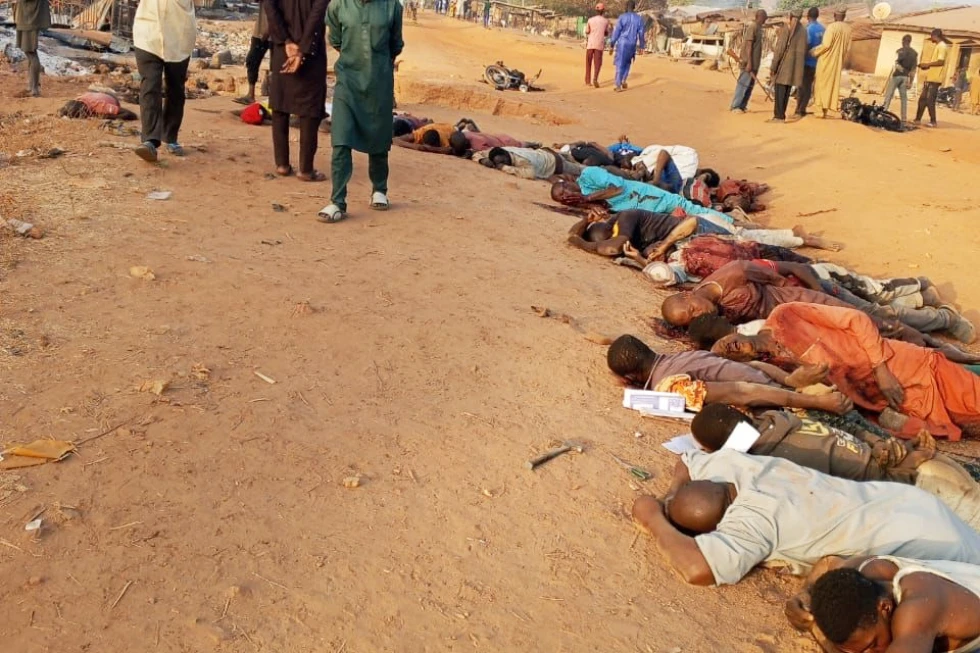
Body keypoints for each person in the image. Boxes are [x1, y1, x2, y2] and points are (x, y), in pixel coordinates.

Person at [631, 448, 980, 586]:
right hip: (907, 502)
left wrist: (653, 518)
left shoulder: (754, 523)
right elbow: (686, 460)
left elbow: (697, 569)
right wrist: (672, 494)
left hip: (923, 543)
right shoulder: (737, 468)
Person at [711, 302, 980, 440]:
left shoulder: (785, 315)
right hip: (898, 398)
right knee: (969, 422)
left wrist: (881, 370)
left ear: (734, 332)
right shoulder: (778, 366)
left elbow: (856, 318)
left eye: (724, 342)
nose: (728, 348)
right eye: (726, 354)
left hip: (906, 367)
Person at [691, 404, 980, 528]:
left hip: (925, 486)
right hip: (929, 470)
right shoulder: (780, 420)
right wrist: (886, 447)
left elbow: (851, 490)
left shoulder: (770, 462)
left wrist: (902, 460)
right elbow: (850, 436)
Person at [607, 334, 854, 415]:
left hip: (794, 405)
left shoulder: (670, 385)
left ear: (632, 376)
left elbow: (742, 392)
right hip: (789, 389)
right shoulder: (680, 358)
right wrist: (788, 380)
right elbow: (752, 366)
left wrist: (815, 402)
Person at [319, 0, 404, 223]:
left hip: (379, 82)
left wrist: (375, 65)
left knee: (379, 135)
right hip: (348, 82)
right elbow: (336, 40)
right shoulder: (338, 5)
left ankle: (380, 189)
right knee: (341, 139)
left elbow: (395, 45)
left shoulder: (392, 7)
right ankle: (337, 202)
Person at [795, 557, 980, 653]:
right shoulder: (865, 570)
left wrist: (815, 631)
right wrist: (803, 598)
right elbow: (828, 562)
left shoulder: (917, 612)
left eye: (873, 645)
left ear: (885, 607)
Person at [265, 0, 330, 182]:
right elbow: (317, 15)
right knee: (310, 107)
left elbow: (270, 7)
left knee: (280, 103)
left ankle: (282, 164)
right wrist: (302, 49)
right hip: (311, 51)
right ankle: (306, 169)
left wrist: (285, 41)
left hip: (282, 49)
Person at [131, 0, 196, 163]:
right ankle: (150, 140)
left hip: (179, 33)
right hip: (148, 31)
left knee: (175, 89)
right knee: (150, 84)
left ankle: (170, 136)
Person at [550, 169, 735, 225]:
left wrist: (588, 199)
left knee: (693, 210)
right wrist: (587, 204)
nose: (565, 197)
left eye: (563, 192)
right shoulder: (583, 196)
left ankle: (734, 222)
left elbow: (617, 188)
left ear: (567, 183)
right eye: (561, 199)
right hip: (646, 212)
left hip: (650, 197)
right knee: (691, 221)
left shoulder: (589, 175)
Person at [811, 6, 851, 119]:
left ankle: (819, 111)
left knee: (820, 84)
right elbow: (848, 48)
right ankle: (825, 109)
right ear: (844, 16)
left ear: (834, 15)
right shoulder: (848, 29)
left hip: (826, 61)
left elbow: (826, 45)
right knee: (830, 86)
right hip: (837, 62)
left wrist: (813, 51)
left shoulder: (832, 27)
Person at [769, 9, 807, 123]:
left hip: (783, 67)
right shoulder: (803, 31)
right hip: (795, 69)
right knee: (786, 93)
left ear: (790, 16)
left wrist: (773, 67)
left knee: (780, 92)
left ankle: (778, 117)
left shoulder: (787, 28)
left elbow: (779, 50)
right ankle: (781, 115)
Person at [731, 9, 767, 113]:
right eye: (764, 18)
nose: (765, 20)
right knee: (743, 84)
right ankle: (736, 106)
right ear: (759, 17)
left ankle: (742, 106)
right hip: (748, 63)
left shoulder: (759, 28)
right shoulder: (753, 27)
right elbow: (748, 45)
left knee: (749, 86)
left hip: (754, 63)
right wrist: (749, 63)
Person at [13, 0, 50, 98]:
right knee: (30, 53)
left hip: (30, 20)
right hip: (27, 19)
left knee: (31, 53)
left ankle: (34, 89)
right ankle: (31, 86)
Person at [474, 146, 579, 180]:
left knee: (581, 170)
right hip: (544, 153)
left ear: (506, 156)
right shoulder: (500, 150)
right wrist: (482, 160)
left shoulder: (520, 160)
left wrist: (504, 168)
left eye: (503, 161)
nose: (502, 163)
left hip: (555, 163)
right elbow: (478, 153)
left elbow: (530, 173)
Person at [915, 29, 949, 128]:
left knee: (930, 100)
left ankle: (933, 121)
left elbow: (941, 62)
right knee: (922, 99)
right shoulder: (938, 46)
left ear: (934, 36)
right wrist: (927, 67)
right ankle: (917, 119)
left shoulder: (942, 46)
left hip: (936, 78)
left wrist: (927, 64)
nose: (931, 39)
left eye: (931, 37)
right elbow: (936, 63)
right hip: (931, 77)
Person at [794, 7, 824, 118]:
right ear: (817, 16)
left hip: (806, 62)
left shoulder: (808, 29)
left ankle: (799, 109)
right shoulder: (822, 29)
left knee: (802, 86)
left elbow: (806, 45)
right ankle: (802, 108)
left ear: (807, 16)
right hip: (817, 62)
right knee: (808, 86)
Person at [609, 0, 645, 93]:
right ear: (634, 7)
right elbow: (641, 33)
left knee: (620, 63)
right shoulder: (639, 19)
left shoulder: (622, 17)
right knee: (628, 63)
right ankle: (624, 80)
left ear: (626, 7)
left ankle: (618, 85)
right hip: (632, 44)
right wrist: (642, 46)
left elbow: (617, 31)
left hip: (622, 43)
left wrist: (612, 43)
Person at [882, 34, 918, 125]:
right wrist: (910, 82)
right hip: (905, 78)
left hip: (896, 76)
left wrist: (900, 69)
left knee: (889, 95)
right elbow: (913, 70)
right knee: (904, 99)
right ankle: (903, 119)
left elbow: (896, 64)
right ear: (910, 41)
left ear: (903, 41)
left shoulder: (899, 51)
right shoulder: (914, 53)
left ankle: (883, 113)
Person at [240, 1, 271, 104]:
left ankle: (278, 100)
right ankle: (251, 94)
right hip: (260, 31)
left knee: (277, 68)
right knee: (252, 61)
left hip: (278, 33)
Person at [59, 92, 138, 120]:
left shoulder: (100, 106)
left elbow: (131, 114)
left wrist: (107, 117)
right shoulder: (74, 102)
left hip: (110, 97)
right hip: (94, 94)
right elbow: (63, 111)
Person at [585, 3, 610, 88]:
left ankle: (588, 81)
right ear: (603, 11)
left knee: (588, 62)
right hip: (599, 45)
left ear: (596, 10)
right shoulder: (605, 21)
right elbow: (606, 33)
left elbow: (587, 31)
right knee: (598, 63)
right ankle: (595, 78)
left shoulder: (590, 20)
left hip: (590, 44)